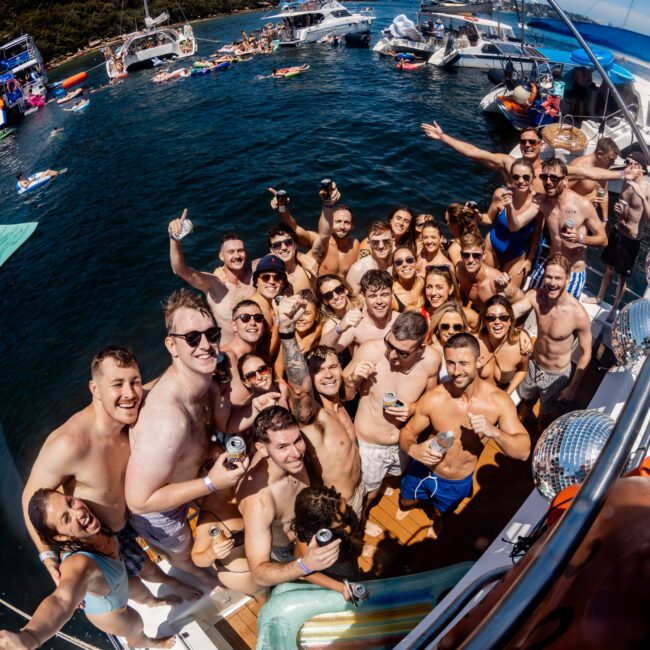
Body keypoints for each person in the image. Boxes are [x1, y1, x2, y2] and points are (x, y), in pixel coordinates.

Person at [21, 346, 198, 602]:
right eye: (117, 384)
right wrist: (47, 556)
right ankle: (167, 586)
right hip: (99, 530)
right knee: (142, 570)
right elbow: (30, 499)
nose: (129, 394)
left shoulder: (132, 404)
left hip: (137, 512)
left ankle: (172, 575)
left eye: (134, 382)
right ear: (95, 389)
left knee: (161, 552)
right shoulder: (69, 445)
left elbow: (170, 379)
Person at [125, 290, 256, 590]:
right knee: (183, 549)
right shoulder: (167, 420)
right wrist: (211, 483)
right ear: (172, 345)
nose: (207, 346)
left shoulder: (203, 378)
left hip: (188, 476)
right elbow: (139, 501)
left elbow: (220, 421)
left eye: (211, 334)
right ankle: (198, 579)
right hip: (160, 511)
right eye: (192, 338)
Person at [0, 490, 176, 649]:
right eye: (67, 519)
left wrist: (47, 558)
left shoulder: (92, 518)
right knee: (137, 627)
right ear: (61, 536)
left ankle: (152, 601)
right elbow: (61, 600)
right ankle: (151, 643)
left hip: (117, 582)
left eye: (70, 502)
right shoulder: (80, 563)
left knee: (143, 592)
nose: (79, 512)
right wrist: (30, 637)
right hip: (111, 611)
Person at [398, 333, 530, 537]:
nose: (456, 371)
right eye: (450, 363)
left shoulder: (498, 402)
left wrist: (494, 431)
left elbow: (523, 452)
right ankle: (411, 505)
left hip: (456, 481)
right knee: (406, 501)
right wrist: (413, 449)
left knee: (442, 510)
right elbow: (408, 432)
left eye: (463, 363)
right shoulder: (435, 398)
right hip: (422, 470)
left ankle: (436, 518)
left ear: (479, 361)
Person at [343, 312, 440, 509]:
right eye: (390, 345)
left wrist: (413, 408)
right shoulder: (371, 350)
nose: (393, 355)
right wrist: (351, 380)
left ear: (421, 347)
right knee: (365, 495)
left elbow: (430, 401)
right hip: (369, 446)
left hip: (401, 445)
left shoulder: (431, 361)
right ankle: (360, 524)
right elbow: (344, 397)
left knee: (391, 478)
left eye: (402, 352)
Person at [277, 295, 363, 518]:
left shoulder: (340, 403)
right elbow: (300, 388)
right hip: (335, 508)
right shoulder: (312, 417)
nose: (328, 375)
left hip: (358, 489)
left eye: (333, 367)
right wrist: (287, 331)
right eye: (318, 370)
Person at [236, 406, 341, 585]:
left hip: (311, 530)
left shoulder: (290, 460)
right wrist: (304, 565)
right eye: (283, 447)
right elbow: (259, 573)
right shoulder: (259, 502)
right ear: (262, 449)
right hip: (289, 550)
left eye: (298, 440)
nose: (296, 453)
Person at [507, 158, 607, 300]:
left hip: (572, 274)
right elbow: (515, 225)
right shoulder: (542, 202)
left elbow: (603, 240)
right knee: (528, 300)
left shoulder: (583, 205)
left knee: (560, 317)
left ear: (565, 180)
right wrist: (508, 206)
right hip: (549, 266)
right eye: (544, 177)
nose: (548, 182)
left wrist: (580, 238)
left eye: (554, 178)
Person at [512, 254, 592, 428]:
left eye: (558, 278)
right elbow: (513, 312)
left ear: (568, 278)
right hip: (533, 365)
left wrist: (573, 387)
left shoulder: (577, 314)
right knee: (525, 407)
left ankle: (538, 437)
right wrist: (521, 332)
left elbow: (586, 353)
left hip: (556, 375)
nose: (552, 282)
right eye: (549, 276)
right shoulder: (535, 297)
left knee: (546, 417)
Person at [190, 441, 268, 603]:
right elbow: (197, 558)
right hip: (243, 576)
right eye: (211, 465)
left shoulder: (241, 484)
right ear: (201, 474)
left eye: (226, 459)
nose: (225, 466)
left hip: (265, 561)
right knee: (266, 599)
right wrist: (212, 553)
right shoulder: (209, 517)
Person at [168, 212, 254, 345]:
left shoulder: (255, 273)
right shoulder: (213, 283)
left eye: (240, 250)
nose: (237, 256)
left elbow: (280, 253)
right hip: (231, 357)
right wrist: (174, 238)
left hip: (261, 350)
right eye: (231, 252)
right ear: (221, 256)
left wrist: (283, 209)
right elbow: (180, 270)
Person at [585, 152, 649, 320]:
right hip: (617, 231)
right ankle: (599, 297)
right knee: (608, 269)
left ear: (640, 168)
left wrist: (642, 197)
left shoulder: (647, 189)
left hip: (631, 239)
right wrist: (617, 210)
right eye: (626, 162)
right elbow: (622, 207)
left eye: (630, 162)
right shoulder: (626, 183)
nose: (626, 165)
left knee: (622, 277)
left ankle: (614, 307)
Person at [271, 187, 360, 276]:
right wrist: (282, 208)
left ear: (352, 226)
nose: (342, 227)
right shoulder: (317, 240)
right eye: (338, 221)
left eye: (347, 222)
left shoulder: (355, 245)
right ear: (330, 223)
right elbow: (293, 229)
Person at [292, 486, 361, 600]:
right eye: (341, 517)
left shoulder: (338, 509)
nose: (347, 515)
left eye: (346, 508)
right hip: (336, 564)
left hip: (345, 551)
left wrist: (352, 539)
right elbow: (304, 571)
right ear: (322, 526)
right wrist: (342, 588)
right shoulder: (308, 541)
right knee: (351, 576)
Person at [482, 159, 542, 287]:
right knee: (487, 286)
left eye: (526, 177)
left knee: (509, 294)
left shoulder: (538, 203)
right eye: (516, 177)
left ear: (533, 178)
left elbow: (536, 236)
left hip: (516, 257)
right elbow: (488, 218)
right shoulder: (500, 194)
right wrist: (476, 216)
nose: (521, 181)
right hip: (491, 248)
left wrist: (530, 260)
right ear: (511, 178)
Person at [322, 269, 398, 354]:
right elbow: (322, 352)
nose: (379, 301)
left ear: (392, 294)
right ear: (363, 296)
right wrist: (339, 328)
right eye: (372, 296)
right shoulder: (357, 325)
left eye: (384, 295)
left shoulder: (402, 321)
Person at [476, 295, 531, 395]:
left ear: (510, 321)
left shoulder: (520, 346)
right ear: (484, 321)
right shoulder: (475, 342)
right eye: (491, 318)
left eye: (503, 317)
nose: (497, 322)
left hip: (498, 401)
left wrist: (508, 393)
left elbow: (523, 370)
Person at [456, 232, 524, 309]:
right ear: (461, 255)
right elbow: (461, 292)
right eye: (466, 255)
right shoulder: (459, 270)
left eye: (476, 256)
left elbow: (523, 303)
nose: (471, 260)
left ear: (484, 255)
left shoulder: (497, 280)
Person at [221, 299, 267, 406]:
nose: (252, 323)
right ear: (234, 325)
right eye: (245, 318)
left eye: (258, 318)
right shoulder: (227, 357)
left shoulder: (258, 355)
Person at [274, 289, 323, 378]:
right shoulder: (286, 335)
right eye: (296, 312)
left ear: (316, 315)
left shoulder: (322, 333)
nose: (300, 318)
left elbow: (328, 319)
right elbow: (278, 372)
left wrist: (311, 337)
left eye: (307, 313)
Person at [568, 137, 620, 222]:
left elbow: (604, 192)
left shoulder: (604, 166)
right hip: (572, 214)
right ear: (599, 154)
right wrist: (586, 200)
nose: (613, 163)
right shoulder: (578, 167)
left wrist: (605, 218)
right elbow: (561, 191)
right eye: (611, 159)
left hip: (589, 217)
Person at [346, 221, 393, 294]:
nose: (381, 246)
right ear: (369, 244)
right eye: (375, 242)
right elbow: (353, 300)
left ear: (393, 240)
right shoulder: (358, 269)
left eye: (386, 241)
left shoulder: (401, 262)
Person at [392, 246, 424, 312]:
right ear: (394, 268)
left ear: (416, 263)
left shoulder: (426, 283)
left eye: (409, 260)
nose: (404, 264)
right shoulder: (391, 295)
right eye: (399, 262)